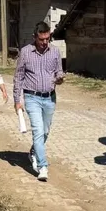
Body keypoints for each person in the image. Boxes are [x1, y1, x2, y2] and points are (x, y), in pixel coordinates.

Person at [13, 21, 64, 182]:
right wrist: (17, 100)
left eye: (47, 39)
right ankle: (43, 166)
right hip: (31, 97)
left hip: (50, 97)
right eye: (41, 39)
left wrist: (60, 78)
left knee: (45, 131)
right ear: (34, 37)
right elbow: (18, 77)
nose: (44, 42)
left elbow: (59, 71)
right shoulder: (26, 52)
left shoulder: (55, 52)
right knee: (37, 130)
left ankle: (34, 152)